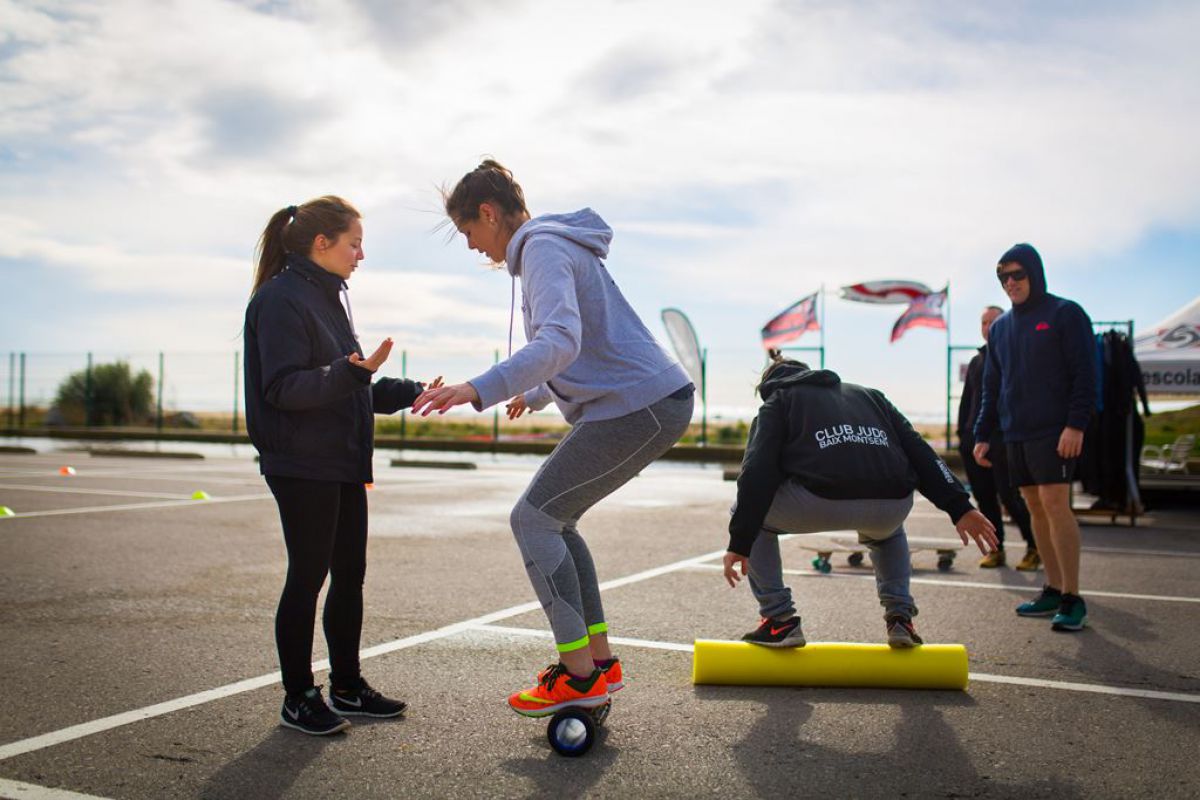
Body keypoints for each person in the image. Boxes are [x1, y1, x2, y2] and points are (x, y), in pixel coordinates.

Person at [411, 160, 694, 717]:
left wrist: (479, 387)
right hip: (647, 402)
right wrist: (538, 392)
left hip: (640, 407)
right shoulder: (552, 246)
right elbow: (580, 341)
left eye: (468, 232)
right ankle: (599, 664)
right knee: (556, 521)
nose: (472, 247)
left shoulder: (541, 247)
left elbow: (560, 339)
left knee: (533, 519)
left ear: (488, 214)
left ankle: (578, 675)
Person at [244, 196, 439, 735]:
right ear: (321, 243)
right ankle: (298, 696)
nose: (361, 253)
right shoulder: (281, 299)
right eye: (354, 242)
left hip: (341, 460)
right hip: (301, 462)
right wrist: (353, 375)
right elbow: (284, 389)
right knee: (307, 577)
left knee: (349, 575)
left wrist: (413, 391)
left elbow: (349, 384)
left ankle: (347, 687)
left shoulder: (329, 298)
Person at [723, 352, 998, 648]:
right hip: (892, 504)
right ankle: (900, 618)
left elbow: (756, 472)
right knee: (888, 534)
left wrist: (740, 541)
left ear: (770, 385)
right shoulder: (871, 397)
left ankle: (779, 620)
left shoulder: (779, 400)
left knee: (746, 510)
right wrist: (960, 507)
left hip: (819, 500)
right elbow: (921, 451)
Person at [973, 243, 1097, 632]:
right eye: (1004, 277)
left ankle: (1073, 597)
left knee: (1054, 502)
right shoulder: (1002, 329)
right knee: (1033, 506)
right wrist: (982, 433)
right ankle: (1053, 587)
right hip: (1016, 432)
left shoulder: (1065, 313)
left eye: (1018, 275)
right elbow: (992, 386)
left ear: (1034, 274)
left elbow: (1086, 373)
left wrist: (1076, 424)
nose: (1011, 283)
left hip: (1055, 429)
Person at [957, 305, 1037, 569]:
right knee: (984, 499)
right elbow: (968, 402)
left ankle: (1034, 547)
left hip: (1003, 440)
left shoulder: (1013, 356)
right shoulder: (977, 361)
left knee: (1010, 498)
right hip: (974, 441)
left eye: (994, 321)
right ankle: (996, 549)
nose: (988, 327)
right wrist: (963, 436)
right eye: (983, 322)